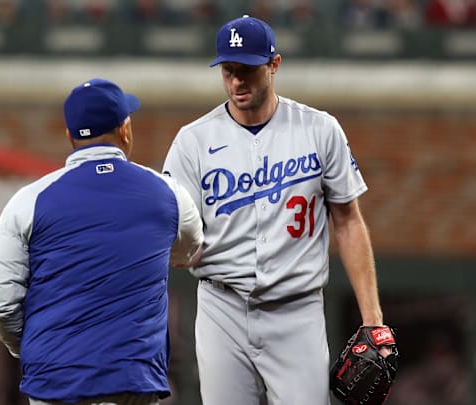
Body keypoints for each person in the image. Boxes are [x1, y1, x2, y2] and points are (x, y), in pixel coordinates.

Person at [162, 15, 391, 405]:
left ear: (274, 65)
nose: (237, 81)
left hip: (296, 309)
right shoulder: (193, 141)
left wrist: (373, 319)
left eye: (248, 70)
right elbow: (171, 228)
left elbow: (348, 221)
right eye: (229, 70)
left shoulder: (319, 129)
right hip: (222, 307)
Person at [0, 78, 204, 405]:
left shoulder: (30, 200)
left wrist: (32, 345)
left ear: (70, 136)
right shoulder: (167, 193)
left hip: (55, 378)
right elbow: (188, 249)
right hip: (133, 379)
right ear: (125, 129)